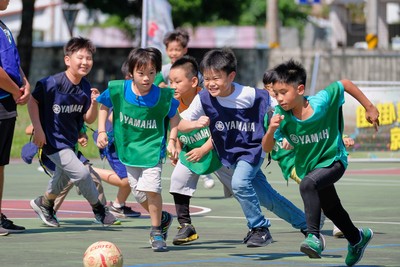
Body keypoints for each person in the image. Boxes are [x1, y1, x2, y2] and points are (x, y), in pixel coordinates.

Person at [178, 48, 308, 248]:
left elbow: (283, 105)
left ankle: (259, 228)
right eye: (207, 78)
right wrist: (195, 124)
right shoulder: (204, 98)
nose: (211, 83)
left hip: (252, 150)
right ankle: (307, 224)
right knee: (267, 198)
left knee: (239, 184)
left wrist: (290, 131)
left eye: (216, 78)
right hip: (229, 155)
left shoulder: (252, 95)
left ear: (231, 76)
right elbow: (181, 123)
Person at [262, 59, 379, 266]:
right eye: (275, 93)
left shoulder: (322, 102)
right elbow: (267, 148)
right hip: (311, 166)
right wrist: (271, 130)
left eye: (283, 92)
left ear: (300, 89)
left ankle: (313, 236)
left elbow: (344, 83)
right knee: (332, 208)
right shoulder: (277, 116)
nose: (278, 98)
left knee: (308, 183)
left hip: (334, 159)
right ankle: (357, 238)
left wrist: (369, 107)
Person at [28, 37, 117, 228]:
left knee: (62, 178)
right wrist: (38, 129)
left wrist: (93, 103)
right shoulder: (51, 83)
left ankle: (44, 204)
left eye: (89, 58)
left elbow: (88, 118)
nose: (85, 62)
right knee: (83, 174)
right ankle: (99, 210)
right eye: (80, 57)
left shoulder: (85, 86)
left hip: (69, 143)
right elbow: (32, 101)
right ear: (67, 60)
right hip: (52, 142)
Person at [96, 47, 179, 252]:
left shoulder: (162, 96)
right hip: (128, 150)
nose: (146, 78)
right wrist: (101, 132)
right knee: (139, 195)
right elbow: (104, 105)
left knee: (152, 190)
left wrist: (172, 139)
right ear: (131, 72)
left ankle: (156, 231)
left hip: (151, 150)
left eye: (151, 73)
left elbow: (174, 116)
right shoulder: (118, 89)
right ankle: (163, 217)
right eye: (141, 73)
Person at [168, 55, 222, 245]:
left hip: (218, 152)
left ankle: (257, 226)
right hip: (193, 152)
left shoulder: (207, 99)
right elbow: (177, 128)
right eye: (170, 81)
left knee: (241, 188)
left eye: (177, 81)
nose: (172, 85)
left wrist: (205, 149)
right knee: (177, 180)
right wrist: (176, 146)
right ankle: (186, 227)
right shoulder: (172, 103)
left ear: (193, 82)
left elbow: (221, 130)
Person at [0, 0, 30, 236]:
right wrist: (13, 89)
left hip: (6, 101)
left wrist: (24, 83)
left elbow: (11, 62)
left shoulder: (2, 25)